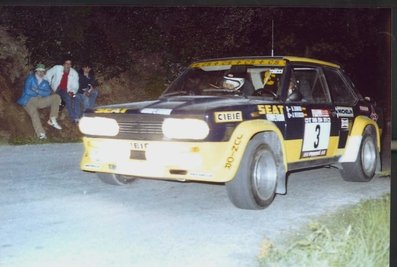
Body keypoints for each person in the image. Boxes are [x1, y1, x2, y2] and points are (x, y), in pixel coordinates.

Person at [17, 64, 62, 140]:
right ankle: (41, 134)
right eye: (39, 71)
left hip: (39, 100)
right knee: (34, 114)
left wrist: (36, 90)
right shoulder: (30, 78)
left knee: (56, 97)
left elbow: (47, 92)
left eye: (42, 71)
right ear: (36, 71)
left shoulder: (45, 82)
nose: (41, 73)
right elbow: (27, 91)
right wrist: (39, 92)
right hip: (28, 100)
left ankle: (52, 119)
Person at [45, 55, 79, 123]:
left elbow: (75, 86)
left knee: (73, 98)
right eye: (66, 63)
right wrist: (48, 85)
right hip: (56, 89)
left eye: (69, 64)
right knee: (57, 100)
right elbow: (48, 75)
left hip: (66, 91)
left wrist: (72, 92)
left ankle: (74, 118)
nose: (68, 65)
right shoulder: (57, 68)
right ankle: (53, 118)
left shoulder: (74, 73)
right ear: (63, 64)